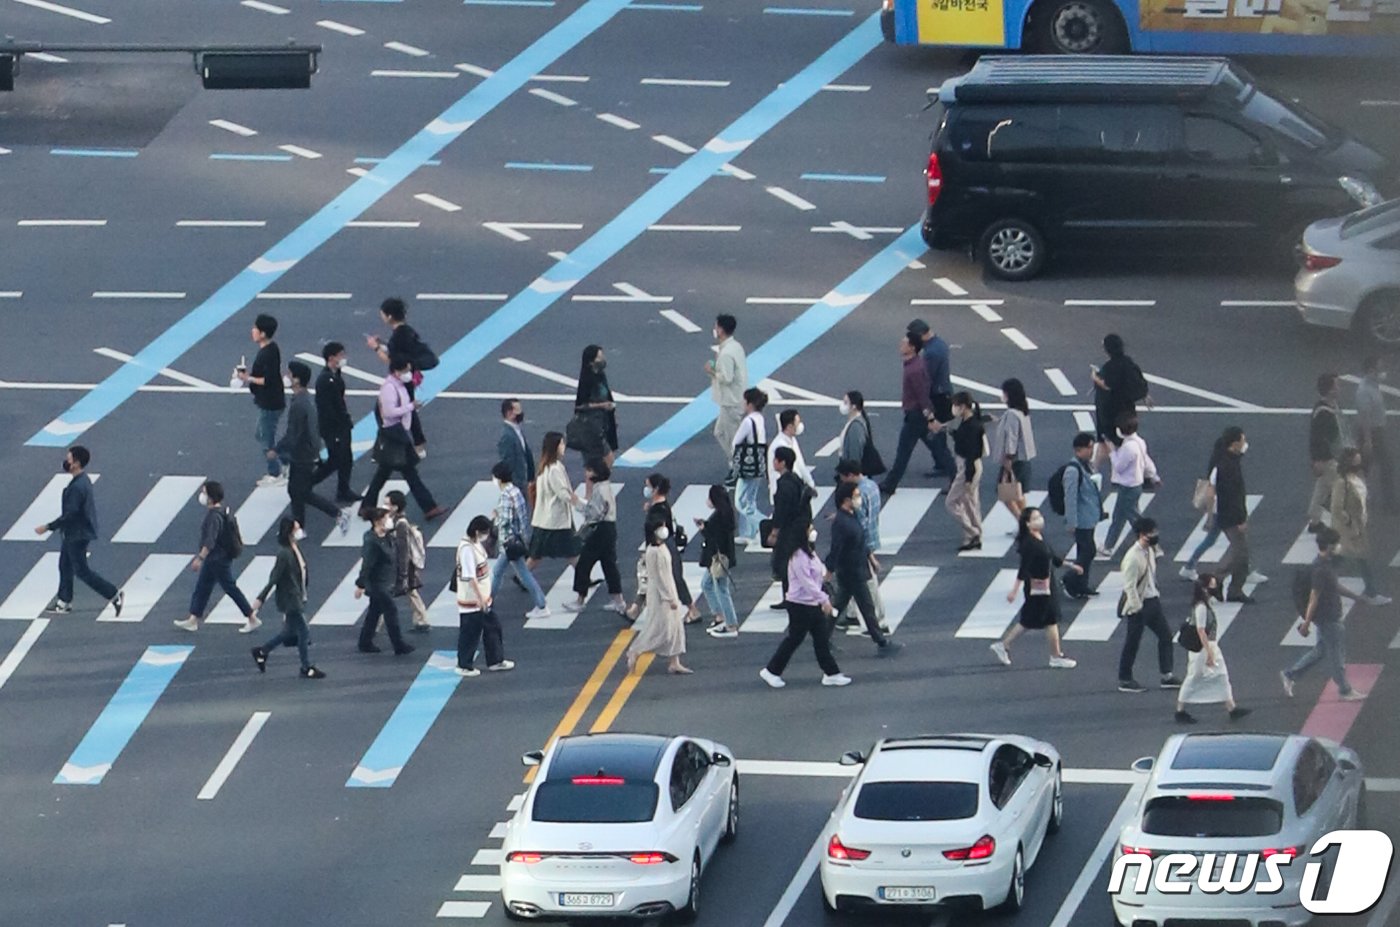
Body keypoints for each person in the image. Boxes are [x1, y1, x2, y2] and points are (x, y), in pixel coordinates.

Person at [760, 518, 850, 689]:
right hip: (799, 604)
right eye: (810, 529)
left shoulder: (808, 551)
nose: (813, 531)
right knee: (795, 639)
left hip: (810, 603)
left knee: (820, 639)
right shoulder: (798, 556)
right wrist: (824, 600)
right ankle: (772, 671)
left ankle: (831, 673)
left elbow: (818, 570)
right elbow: (806, 583)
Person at [36, 446, 124, 617]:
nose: (65, 461)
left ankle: (113, 594)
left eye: (68, 459)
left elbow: (70, 515)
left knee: (82, 571)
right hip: (75, 532)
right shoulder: (82, 480)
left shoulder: (77, 487)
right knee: (65, 565)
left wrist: (48, 527)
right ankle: (64, 601)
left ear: (75, 463)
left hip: (77, 534)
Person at [1282, 527, 1367, 702]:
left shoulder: (1324, 565)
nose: (1338, 547)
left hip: (1328, 616)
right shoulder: (1321, 570)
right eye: (1336, 544)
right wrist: (1306, 624)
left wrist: (1355, 597)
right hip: (1329, 618)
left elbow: (1335, 586)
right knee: (1337, 656)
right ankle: (1345, 690)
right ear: (1329, 546)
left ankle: (1290, 675)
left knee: (1320, 651)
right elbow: (1314, 597)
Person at [990, 507, 1079, 669]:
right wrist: (1014, 590)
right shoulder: (1029, 544)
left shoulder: (1038, 537)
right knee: (1051, 620)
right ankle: (1056, 656)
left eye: (1039, 516)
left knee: (1029, 620)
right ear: (1028, 523)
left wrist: (1071, 565)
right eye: (1035, 518)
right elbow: (1024, 569)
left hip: (1046, 583)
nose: (1040, 519)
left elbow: (1052, 556)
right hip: (1038, 587)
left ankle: (1003, 645)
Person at [363, 357, 448, 521]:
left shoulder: (398, 385)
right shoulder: (389, 388)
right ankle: (429, 506)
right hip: (394, 434)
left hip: (398, 432)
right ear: (396, 372)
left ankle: (367, 507)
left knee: (384, 473)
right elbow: (388, 412)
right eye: (405, 371)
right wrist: (411, 407)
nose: (408, 374)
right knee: (409, 472)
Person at [826, 482, 902, 656]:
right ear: (846, 500)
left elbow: (860, 540)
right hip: (851, 571)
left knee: (840, 605)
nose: (858, 499)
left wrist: (871, 559)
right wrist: (829, 571)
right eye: (856, 495)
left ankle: (822, 637)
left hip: (856, 568)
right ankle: (881, 642)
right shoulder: (842, 522)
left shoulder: (851, 516)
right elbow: (836, 548)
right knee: (867, 607)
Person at [174, 481, 258, 634]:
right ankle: (193, 619)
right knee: (202, 587)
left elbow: (210, 541)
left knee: (230, 588)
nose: (202, 496)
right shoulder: (223, 511)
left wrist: (199, 558)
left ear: (211, 497)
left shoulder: (213, 517)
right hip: (217, 558)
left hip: (217, 559)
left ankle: (251, 616)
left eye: (204, 493)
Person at [279, 361, 349, 536]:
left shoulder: (300, 404)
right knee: (295, 491)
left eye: (289, 374)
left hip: (303, 455)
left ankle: (337, 514)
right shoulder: (301, 399)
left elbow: (294, 432)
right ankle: (298, 527)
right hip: (304, 453)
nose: (286, 377)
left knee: (301, 492)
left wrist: (278, 449)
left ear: (296, 379)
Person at [250, 517, 325, 679]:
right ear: (290, 532)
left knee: (289, 631)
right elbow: (274, 578)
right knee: (303, 632)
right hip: (291, 598)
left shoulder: (294, 548)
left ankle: (262, 651)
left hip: (298, 594)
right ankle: (306, 667)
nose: (300, 531)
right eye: (297, 528)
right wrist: (261, 598)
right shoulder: (284, 553)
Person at [1175, 575, 1249, 724]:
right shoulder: (1201, 607)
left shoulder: (1205, 604)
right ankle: (1180, 710)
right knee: (1194, 677)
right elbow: (1201, 630)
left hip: (1210, 646)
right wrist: (1209, 653)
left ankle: (1232, 707)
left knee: (1221, 675)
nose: (1215, 588)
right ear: (1205, 588)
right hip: (1204, 648)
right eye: (1213, 585)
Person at [1116, 517, 1180, 693]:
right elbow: (1129, 586)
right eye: (1152, 533)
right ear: (1142, 535)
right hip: (1140, 605)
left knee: (1166, 636)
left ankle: (1167, 675)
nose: (1155, 535)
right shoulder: (1132, 558)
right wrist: (1136, 607)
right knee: (1132, 642)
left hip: (1153, 600)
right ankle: (1125, 678)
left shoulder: (1149, 550)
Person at [626, 520, 691, 676]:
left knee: (675, 627)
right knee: (660, 627)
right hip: (662, 594)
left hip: (667, 590)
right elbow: (660, 578)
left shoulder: (659, 547)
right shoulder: (654, 551)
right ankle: (635, 651)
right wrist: (669, 598)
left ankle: (674, 662)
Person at [367, 297, 431, 455]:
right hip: (408, 376)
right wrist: (384, 344)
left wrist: (375, 348)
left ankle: (401, 446)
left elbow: (391, 361)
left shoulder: (397, 336)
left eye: (382, 314)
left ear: (389, 316)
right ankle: (418, 444)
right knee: (407, 408)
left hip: (399, 379)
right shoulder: (407, 331)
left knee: (385, 411)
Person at [454, 515, 515, 677]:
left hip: (483, 599)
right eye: (484, 532)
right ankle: (464, 665)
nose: (486, 536)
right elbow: (470, 577)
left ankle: (496, 660)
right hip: (473, 600)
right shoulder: (467, 549)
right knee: (470, 633)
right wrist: (480, 599)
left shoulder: (475, 544)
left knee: (493, 627)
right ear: (476, 531)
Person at [1331, 447, 1392, 605]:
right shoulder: (1341, 483)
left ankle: (1319, 582)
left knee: (1338, 559)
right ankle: (1372, 593)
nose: (1359, 466)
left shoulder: (1356, 479)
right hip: (1347, 529)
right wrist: (1350, 521)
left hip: (1357, 527)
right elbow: (1337, 508)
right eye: (1356, 463)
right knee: (1360, 559)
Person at [489, 462, 549, 620]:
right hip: (518, 540)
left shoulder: (505, 495)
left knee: (502, 573)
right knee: (517, 572)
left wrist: (496, 518)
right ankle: (541, 604)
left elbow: (506, 520)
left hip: (509, 542)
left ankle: (487, 603)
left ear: (499, 479)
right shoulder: (516, 491)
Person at [879, 332, 936, 497]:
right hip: (918, 415)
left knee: (903, 451)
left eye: (904, 343)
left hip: (915, 415)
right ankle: (953, 474)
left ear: (912, 347)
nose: (900, 345)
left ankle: (890, 484)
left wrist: (929, 416)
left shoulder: (914, 369)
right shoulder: (914, 365)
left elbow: (922, 395)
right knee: (937, 446)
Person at [353, 507, 415, 656]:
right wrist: (360, 584)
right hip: (378, 583)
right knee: (390, 611)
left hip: (386, 580)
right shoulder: (371, 541)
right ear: (377, 521)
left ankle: (365, 641)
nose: (389, 521)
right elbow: (367, 564)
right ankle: (398, 645)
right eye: (387, 518)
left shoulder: (386, 536)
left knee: (374, 611)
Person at [834, 459, 886, 634]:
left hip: (861, 544)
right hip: (872, 536)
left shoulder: (859, 494)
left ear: (850, 475)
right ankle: (851, 614)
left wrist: (870, 555)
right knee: (853, 581)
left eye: (843, 478)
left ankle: (879, 621)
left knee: (868, 582)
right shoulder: (872, 486)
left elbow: (860, 523)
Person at [569, 458, 626, 615]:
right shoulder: (605, 486)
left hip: (600, 530)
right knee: (609, 565)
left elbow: (595, 513)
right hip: (609, 529)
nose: (586, 474)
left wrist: (577, 503)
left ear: (596, 473)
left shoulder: (599, 490)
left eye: (589, 470)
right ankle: (618, 601)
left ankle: (580, 600)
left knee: (584, 563)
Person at [236, 313, 287, 487]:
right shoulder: (271, 349)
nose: (253, 331)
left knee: (266, 439)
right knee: (261, 434)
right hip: (270, 400)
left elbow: (267, 380)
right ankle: (286, 460)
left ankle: (276, 471)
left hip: (270, 402)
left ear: (263, 333)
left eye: (255, 328)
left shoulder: (267, 353)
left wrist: (247, 378)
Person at [1100, 413, 1158, 557]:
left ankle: (1153, 545)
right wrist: (1153, 475)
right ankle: (1108, 545)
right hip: (1135, 485)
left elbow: (1119, 466)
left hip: (1128, 487)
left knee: (1135, 519)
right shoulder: (1139, 442)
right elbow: (1146, 461)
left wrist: (1112, 451)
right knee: (1119, 517)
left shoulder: (1128, 448)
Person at [642, 474, 698, 622]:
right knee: (651, 578)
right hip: (663, 547)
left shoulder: (658, 510)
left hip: (664, 547)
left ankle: (692, 609)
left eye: (648, 486)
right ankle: (636, 609)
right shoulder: (660, 506)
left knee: (673, 578)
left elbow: (660, 528)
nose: (646, 490)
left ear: (656, 489)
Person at [1211, 427, 1257, 605]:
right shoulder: (1228, 466)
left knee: (1242, 555)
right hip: (1231, 516)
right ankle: (1216, 580)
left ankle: (1235, 589)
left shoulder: (1230, 461)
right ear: (1235, 443)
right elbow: (1232, 495)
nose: (1245, 444)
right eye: (1243, 440)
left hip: (1230, 514)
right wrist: (1241, 519)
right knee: (1239, 553)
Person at [935, 391, 986, 552]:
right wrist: (951, 432)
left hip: (967, 467)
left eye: (955, 405)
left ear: (963, 407)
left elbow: (970, 453)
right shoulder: (971, 422)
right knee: (970, 503)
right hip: (974, 466)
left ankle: (973, 532)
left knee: (951, 502)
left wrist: (968, 478)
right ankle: (974, 535)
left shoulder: (970, 426)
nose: (954, 409)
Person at [1091, 333, 1150, 471]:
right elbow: (1137, 382)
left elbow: (1107, 385)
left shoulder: (1109, 367)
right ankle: (1144, 469)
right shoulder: (1128, 363)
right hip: (1126, 409)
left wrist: (1095, 377)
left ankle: (1094, 469)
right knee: (1128, 439)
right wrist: (1144, 395)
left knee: (1105, 439)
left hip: (1109, 409)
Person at [311, 341, 360, 504]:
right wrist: (340, 424)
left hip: (341, 425)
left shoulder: (335, 375)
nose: (344, 358)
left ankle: (343, 489)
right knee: (336, 460)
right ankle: (308, 483)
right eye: (341, 355)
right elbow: (326, 408)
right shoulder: (326, 380)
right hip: (333, 427)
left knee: (345, 458)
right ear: (331, 358)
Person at [527, 431, 581, 573]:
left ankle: (523, 575)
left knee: (538, 554)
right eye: (562, 443)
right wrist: (583, 505)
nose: (564, 446)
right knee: (571, 552)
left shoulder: (546, 467)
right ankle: (584, 577)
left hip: (545, 519)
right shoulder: (555, 469)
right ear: (555, 447)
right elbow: (564, 494)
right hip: (556, 521)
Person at [909, 318, 956, 478]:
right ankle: (942, 462)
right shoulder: (939, 344)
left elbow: (926, 378)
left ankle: (945, 463)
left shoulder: (931, 353)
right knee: (937, 432)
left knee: (934, 431)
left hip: (938, 396)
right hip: (944, 393)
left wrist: (922, 401)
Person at [768, 447, 814, 604]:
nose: (773, 462)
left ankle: (791, 597)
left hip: (789, 530)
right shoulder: (796, 479)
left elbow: (781, 511)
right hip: (799, 527)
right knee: (792, 562)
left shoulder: (784, 485)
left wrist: (774, 532)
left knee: (784, 564)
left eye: (776, 459)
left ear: (782, 463)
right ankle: (790, 596)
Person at [1061, 433, 1102, 600]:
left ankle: (1081, 585)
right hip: (1081, 520)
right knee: (1088, 550)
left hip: (1088, 517)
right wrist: (1072, 522)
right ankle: (1069, 579)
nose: (1092, 451)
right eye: (1090, 447)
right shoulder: (1073, 470)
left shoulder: (1085, 465)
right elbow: (1070, 497)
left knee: (1083, 551)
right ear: (1080, 449)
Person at [385, 490, 431, 632]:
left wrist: (403, 572)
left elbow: (404, 549)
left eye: (387, 504)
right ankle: (421, 619)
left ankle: (422, 619)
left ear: (395, 507)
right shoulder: (395, 521)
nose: (384, 506)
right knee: (410, 592)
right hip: (401, 564)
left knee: (404, 591)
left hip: (403, 564)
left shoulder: (400, 524)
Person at [1354, 356, 1395, 514]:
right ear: (1371, 371)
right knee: (1386, 466)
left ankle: (1355, 496)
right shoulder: (1364, 391)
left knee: (1364, 467)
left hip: (1375, 432)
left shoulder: (1372, 384)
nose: (1382, 372)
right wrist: (1368, 440)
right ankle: (1390, 503)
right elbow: (1365, 416)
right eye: (1379, 369)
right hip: (1372, 433)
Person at [698, 485, 740, 638]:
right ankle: (719, 617)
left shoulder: (719, 516)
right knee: (706, 585)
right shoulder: (726, 513)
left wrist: (703, 528)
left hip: (718, 559)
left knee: (721, 589)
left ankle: (731, 624)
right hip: (721, 558)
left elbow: (714, 536)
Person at [992, 378, 1036, 521]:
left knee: (1007, 494)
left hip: (1013, 460)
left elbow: (1012, 437)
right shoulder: (1022, 411)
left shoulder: (1011, 414)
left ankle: (1023, 523)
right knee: (1017, 493)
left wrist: (1008, 457)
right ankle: (1026, 521)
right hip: (1023, 459)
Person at [707, 313, 748, 463]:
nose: (715, 329)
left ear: (721, 330)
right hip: (735, 399)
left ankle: (737, 464)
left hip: (731, 402)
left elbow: (726, 377)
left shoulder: (726, 353)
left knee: (731, 437)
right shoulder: (736, 346)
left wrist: (711, 371)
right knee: (720, 432)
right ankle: (736, 462)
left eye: (716, 326)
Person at [731, 387, 769, 544]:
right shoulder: (760, 418)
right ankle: (748, 533)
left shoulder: (748, 421)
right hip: (759, 463)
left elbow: (735, 443)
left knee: (741, 502)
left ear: (750, 404)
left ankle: (766, 524)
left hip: (747, 466)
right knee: (750, 499)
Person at [1307, 373, 1344, 531]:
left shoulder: (1328, 406)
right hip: (1328, 458)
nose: (1339, 388)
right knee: (1340, 489)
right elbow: (1317, 438)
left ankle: (1315, 520)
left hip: (1328, 456)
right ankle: (1339, 524)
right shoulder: (1323, 412)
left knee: (1322, 488)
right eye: (1336, 385)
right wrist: (1318, 460)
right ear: (1329, 389)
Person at [573, 345, 618, 465]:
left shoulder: (601, 376)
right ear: (591, 361)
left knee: (600, 463)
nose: (603, 359)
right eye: (599, 357)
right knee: (598, 463)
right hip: (590, 426)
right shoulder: (587, 380)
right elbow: (580, 405)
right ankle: (600, 481)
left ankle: (600, 481)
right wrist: (602, 405)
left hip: (603, 424)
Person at [768, 409, 815, 500]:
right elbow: (776, 473)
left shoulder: (792, 440)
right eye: (797, 423)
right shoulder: (779, 446)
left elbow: (801, 464)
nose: (800, 426)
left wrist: (810, 483)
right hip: (785, 494)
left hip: (795, 490)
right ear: (789, 426)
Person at [496, 398, 535, 503]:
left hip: (523, 482)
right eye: (518, 410)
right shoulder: (507, 436)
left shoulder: (516, 430)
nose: (521, 413)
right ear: (509, 413)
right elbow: (508, 464)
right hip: (517, 484)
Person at [835, 391, 881, 478]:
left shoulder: (855, 427)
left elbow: (855, 453)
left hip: (850, 473)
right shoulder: (856, 422)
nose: (843, 405)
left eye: (845, 402)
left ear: (853, 407)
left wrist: (852, 472)